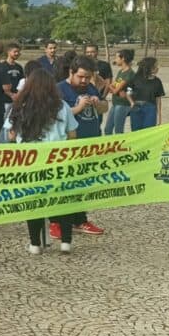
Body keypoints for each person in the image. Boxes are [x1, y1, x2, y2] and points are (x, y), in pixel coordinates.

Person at [6, 69, 79, 253]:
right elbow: (72, 135)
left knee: (34, 201)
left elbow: (11, 136)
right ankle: (66, 242)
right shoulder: (62, 106)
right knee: (62, 200)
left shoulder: (18, 106)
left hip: (30, 162)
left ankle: (35, 244)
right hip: (58, 160)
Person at [54, 57, 108, 239]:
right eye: (81, 77)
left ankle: (79, 219)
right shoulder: (59, 89)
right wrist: (78, 108)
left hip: (90, 144)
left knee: (82, 185)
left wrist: (97, 103)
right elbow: (55, 116)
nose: (84, 81)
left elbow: (104, 107)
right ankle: (55, 221)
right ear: (71, 72)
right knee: (63, 185)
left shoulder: (90, 88)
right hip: (69, 146)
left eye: (88, 77)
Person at [126, 57, 165, 131]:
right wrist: (131, 102)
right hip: (136, 108)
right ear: (149, 67)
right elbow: (128, 93)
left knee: (148, 132)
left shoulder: (157, 81)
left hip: (150, 109)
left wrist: (159, 116)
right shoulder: (135, 78)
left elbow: (158, 100)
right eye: (156, 65)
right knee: (136, 132)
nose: (158, 67)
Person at [104, 49, 135, 135]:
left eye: (117, 57)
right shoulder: (120, 72)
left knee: (118, 130)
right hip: (116, 103)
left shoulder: (129, 74)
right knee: (107, 129)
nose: (115, 59)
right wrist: (112, 87)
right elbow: (113, 88)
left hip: (123, 104)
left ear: (123, 58)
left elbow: (114, 90)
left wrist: (109, 85)